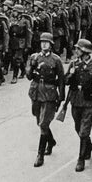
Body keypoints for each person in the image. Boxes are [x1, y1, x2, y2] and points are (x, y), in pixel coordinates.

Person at [26, 32, 65, 167]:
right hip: (36, 90)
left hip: (49, 93)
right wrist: (31, 65)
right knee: (39, 120)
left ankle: (40, 155)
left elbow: (61, 79)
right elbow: (29, 76)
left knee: (43, 123)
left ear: (51, 45)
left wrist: (61, 97)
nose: (44, 44)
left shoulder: (56, 60)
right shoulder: (34, 57)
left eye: (46, 42)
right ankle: (51, 140)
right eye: (42, 42)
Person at [65, 38, 92, 172]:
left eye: (78, 49)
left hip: (89, 101)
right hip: (76, 99)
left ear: (85, 52)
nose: (76, 51)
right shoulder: (74, 64)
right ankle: (88, 145)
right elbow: (66, 81)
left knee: (84, 130)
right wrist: (70, 75)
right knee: (77, 127)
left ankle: (81, 159)